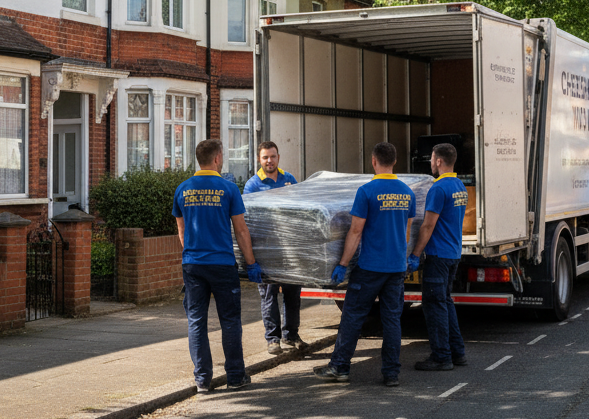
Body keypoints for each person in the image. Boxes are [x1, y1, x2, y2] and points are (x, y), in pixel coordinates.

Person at [314, 141, 415, 387]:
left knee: (353, 316)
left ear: (373, 161)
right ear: (395, 161)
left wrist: (342, 263)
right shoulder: (407, 192)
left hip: (370, 267)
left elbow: (355, 231)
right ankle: (391, 373)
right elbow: (406, 232)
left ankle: (339, 367)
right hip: (396, 268)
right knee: (392, 320)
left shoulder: (367, 192)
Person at [173, 139, 264, 393]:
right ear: (217, 158)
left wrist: (192, 255)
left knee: (196, 321)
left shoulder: (182, 189)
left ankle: (202, 380)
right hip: (222, 264)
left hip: (193, 265)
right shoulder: (228, 188)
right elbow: (241, 230)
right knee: (230, 321)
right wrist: (251, 263)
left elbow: (181, 231)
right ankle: (235, 376)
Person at [409, 143, 468, 372]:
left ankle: (441, 357)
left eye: (432, 159)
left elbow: (428, 225)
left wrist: (415, 254)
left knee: (434, 305)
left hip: (438, 255)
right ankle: (457, 352)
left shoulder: (438, 188)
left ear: (439, 161)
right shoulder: (459, 186)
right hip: (453, 253)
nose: (430, 163)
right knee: (445, 302)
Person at [243, 141, 305, 355]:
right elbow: (248, 221)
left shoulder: (289, 180)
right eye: (265, 157)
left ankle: (292, 335)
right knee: (269, 295)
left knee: (292, 294)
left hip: (289, 249)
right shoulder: (252, 185)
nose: (269, 161)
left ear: (278, 157)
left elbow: (299, 211)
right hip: (266, 250)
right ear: (259, 160)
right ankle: (273, 339)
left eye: (272, 156)